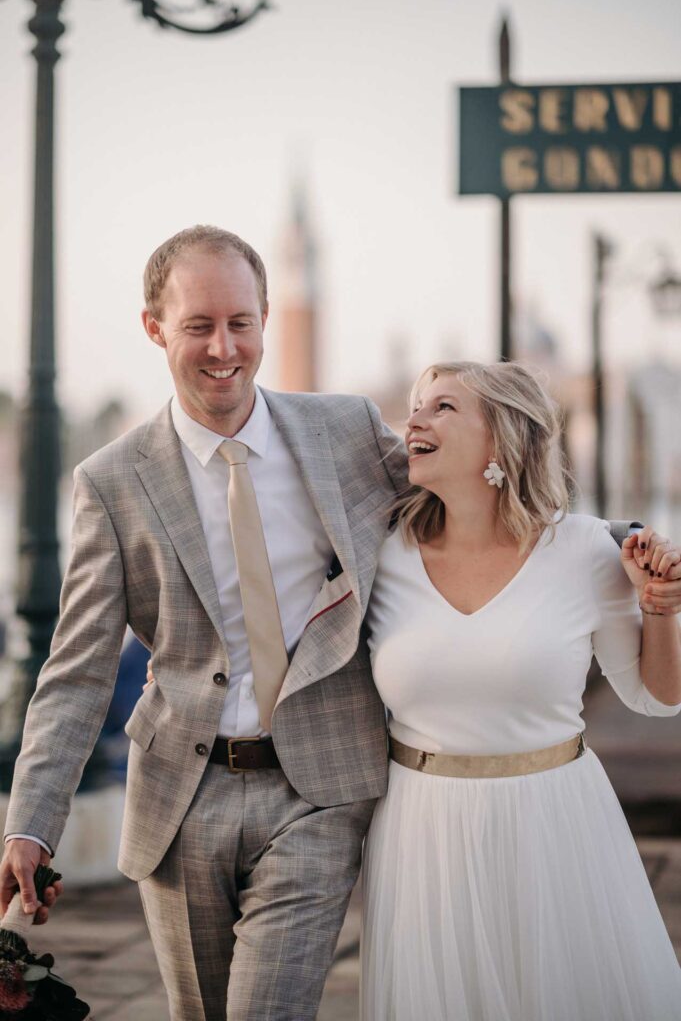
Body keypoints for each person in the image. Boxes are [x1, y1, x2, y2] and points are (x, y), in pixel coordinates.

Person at [0, 225, 408, 1020]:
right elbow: (79, 669)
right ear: (155, 328)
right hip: (180, 800)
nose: (223, 348)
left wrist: (615, 549)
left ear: (262, 318)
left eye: (240, 323)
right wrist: (31, 825)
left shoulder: (346, 431)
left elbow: (460, 507)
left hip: (318, 788)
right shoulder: (112, 482)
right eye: (198, 326)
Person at [360, 360, 681, 1021]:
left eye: (442, 407)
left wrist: (659, 609)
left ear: (500, 438)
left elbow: (657, 698)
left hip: (555, 822)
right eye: (416, 406)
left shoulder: (586, 550)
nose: (413, 419)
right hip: (422, 830)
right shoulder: (381, 555)